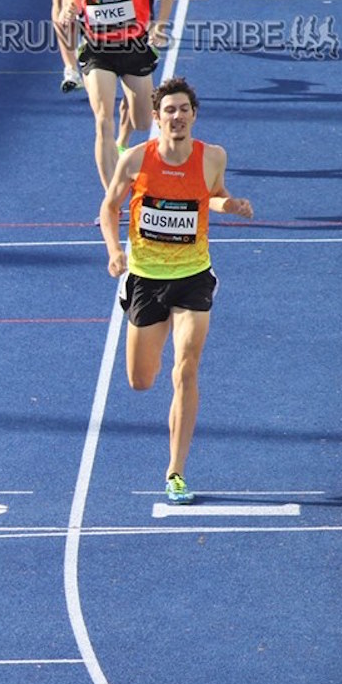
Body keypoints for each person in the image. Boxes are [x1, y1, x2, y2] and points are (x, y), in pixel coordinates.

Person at [99, 77, 253, 503]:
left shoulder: (213, 157)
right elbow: (109, 207)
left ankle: (175, 472)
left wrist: (230, 204)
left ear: (194, 115)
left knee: (185, 368)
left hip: (193, 275)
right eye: (170, 110)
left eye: (184, 109)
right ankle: (142, 318)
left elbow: (214, 196)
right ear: (158, 116)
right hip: (146, 278)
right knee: (141, 381)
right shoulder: (134, 160)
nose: (177, 116)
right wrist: (115, 251)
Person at [59, 0, 175, 190]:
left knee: (143, 122)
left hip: (135, 47)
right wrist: (69, 9)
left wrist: (160, 24)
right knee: (103, 122)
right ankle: (111, 198)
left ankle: (122, 137)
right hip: (97, 51)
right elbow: (73, 0)